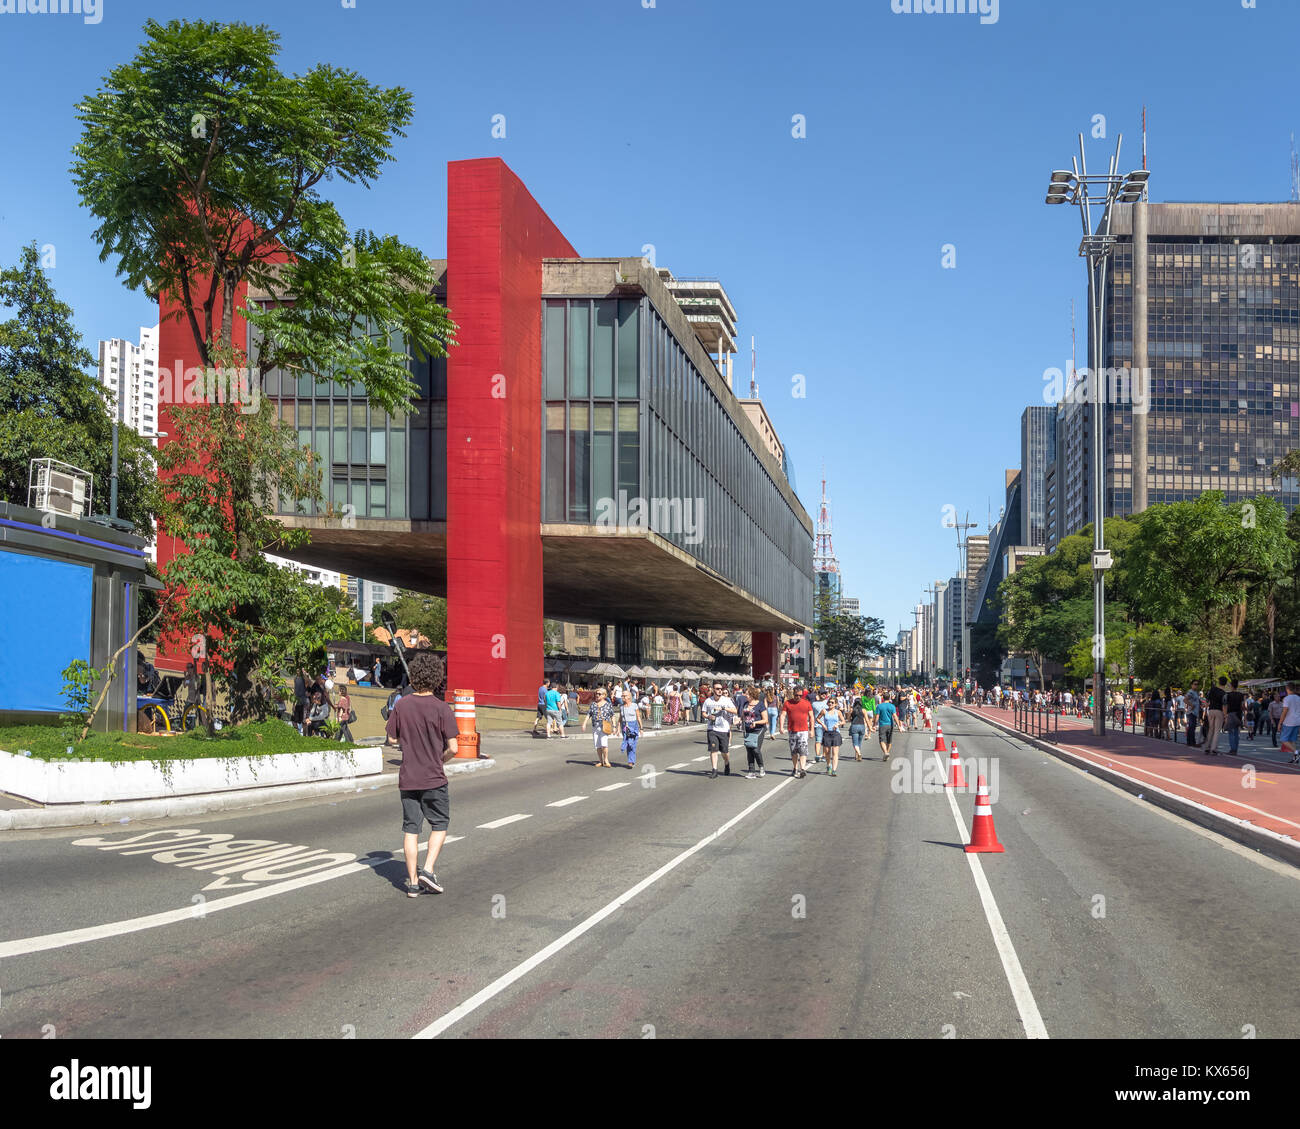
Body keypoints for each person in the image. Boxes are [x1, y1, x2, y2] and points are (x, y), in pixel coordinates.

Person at [386, 651, 458, 898]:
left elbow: (391, 737)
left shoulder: (402, 705)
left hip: (408, 777)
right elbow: (454, 748)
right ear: (437, 678)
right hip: (433, 777)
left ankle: (413, 885)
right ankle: (427, 869)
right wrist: (440, 759)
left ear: (414, 675)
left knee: (411, 829)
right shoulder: (442, 708)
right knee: (439, 824)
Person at [702, 682, 738, 778]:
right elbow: (704, 713)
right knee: (713, 749)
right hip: (712, 729)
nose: (719, 690)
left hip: (724, 729)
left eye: (721, 689)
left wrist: (723, 708)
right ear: (713, 690)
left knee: (724, 751)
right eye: (717, 688)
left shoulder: (726, 700)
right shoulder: (708, 701)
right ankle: (714, 770)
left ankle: (726, 763)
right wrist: (708, 716)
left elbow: (735, 710)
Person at [780, 685, 814, 779]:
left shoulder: (807, 703)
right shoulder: (787, 703)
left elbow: (811, 717)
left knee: (803, 750)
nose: (797, 697)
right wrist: (781, 727)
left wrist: (812, 730)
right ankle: (795, 768)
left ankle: (802, 769)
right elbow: (783, 715)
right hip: (792, 730)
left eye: (800, 695)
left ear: (802, 694)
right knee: (794, 751)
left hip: (803, 731)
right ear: (793, 694)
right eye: (796, 695)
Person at [582, 687, 616, 768]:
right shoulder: (593, 704)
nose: (597, 695)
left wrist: (614, 726)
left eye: (599, 694)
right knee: (597, 745)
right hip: (595, 726)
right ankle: (601, 761)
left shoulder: (608, 704)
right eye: (596, 694)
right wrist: (584, 723)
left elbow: (612, 715)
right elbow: (588, 714)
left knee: (604, 744)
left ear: (604, 695)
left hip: (604, 726)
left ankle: (606, 760)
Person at [742, 687, 767, 779]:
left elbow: (765, 720)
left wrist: (755, 722)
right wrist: (739, 720)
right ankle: (751, 771)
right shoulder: (745, 704)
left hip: (758, 730)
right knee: (749, 750)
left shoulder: (760, 705)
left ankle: (761, 767)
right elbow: (743, 716)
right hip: (748, 730)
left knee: (755, 749)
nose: (746, 696)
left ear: (752, 695)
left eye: (747, 694)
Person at [1203, 676, 1227, 755]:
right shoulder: (1224, 694)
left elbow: (1207, 700)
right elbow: (1224, 705)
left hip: (1211, 710)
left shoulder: (1212, 689)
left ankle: (1207, 747)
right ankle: (1213, 748)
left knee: (1211, 729)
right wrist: (1225, 715)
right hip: (1219, 711)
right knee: (1217, 731)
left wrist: (1206, 711)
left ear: (1219, 682)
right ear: (1225, 683)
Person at [618, 690, 643, 768]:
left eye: (624, 695)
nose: (622, 697)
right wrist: (617, 729)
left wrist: (641, 728)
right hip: (625, 726)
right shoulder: (621, 707)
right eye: (622, 695)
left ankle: (631, 761)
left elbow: (638, 717)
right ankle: (630, 760)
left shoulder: (634, 705)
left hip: (633, 726)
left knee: (632, 744)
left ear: (629, 697)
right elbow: (620, 719)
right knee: (628, 744)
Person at [820, 697, 843, 776]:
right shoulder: (824, 711)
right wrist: (823, 724)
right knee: (827, 752)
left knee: (835, 753)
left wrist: (838, 724)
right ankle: (828, 765)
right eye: (829, 702)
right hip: (827, 733)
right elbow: (817, 719)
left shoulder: (838, 712)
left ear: (836, 704)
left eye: (832, 703)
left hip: (836, 733)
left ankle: (834, 770)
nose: (830, 704)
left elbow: (843, 721)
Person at [1279, 682, 1300, 764]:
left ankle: (1296, 752)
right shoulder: (1298, 698)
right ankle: (1295, 757)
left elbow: (1284, 712)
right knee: (1292, 740)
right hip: (1297, 721)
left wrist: (1280, 723)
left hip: (1289, 721)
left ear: (1287, 689)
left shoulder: (1287, 699)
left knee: (1283, 739)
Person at [1224, 679, 1245, 756]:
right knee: (1236, 732)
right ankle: (1235, 749)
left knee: (1231, 732)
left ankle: (1232, 749)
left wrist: (1225, 715)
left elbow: (1225, 705)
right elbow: (1243, 705)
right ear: (1237, 686)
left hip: (1230, 714)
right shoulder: (1241, 695)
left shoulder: (1228, 695)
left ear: (1231, 686)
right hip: (1238, 714)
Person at [875, 695, 899, 760]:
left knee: (882, 740)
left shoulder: (879, 706)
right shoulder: (892, 706)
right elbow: (895, 716)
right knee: (889, 740)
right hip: (890, 725)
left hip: (882, 724)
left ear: (883, 698)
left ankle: (885, 752)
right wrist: (899, 726)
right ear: (889, 698)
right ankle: (887, 752)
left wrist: (874, 724)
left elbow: (877, 716)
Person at [848, 696, 868, 761]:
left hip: (854, 726)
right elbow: (867, 720)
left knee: (855, 743)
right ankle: (856, 756)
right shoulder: (864, 710)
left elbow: (848, 719)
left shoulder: (851, 710)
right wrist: (870, 728)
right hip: (862, 726)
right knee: (859, 742)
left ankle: (859, 754)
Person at [1183, 681, 1202, 747]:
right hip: (1192, 712)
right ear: (1191, 685)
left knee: (1192, 727)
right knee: (1192, 727)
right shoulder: (1191, 692)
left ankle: (1190, 742)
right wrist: (1192, 705)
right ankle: (1192, 742)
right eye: (1195, 684)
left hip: (1194, 712)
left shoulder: (1195, 692)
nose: (1196, 685)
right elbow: (1185, 700)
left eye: (1197, 684)